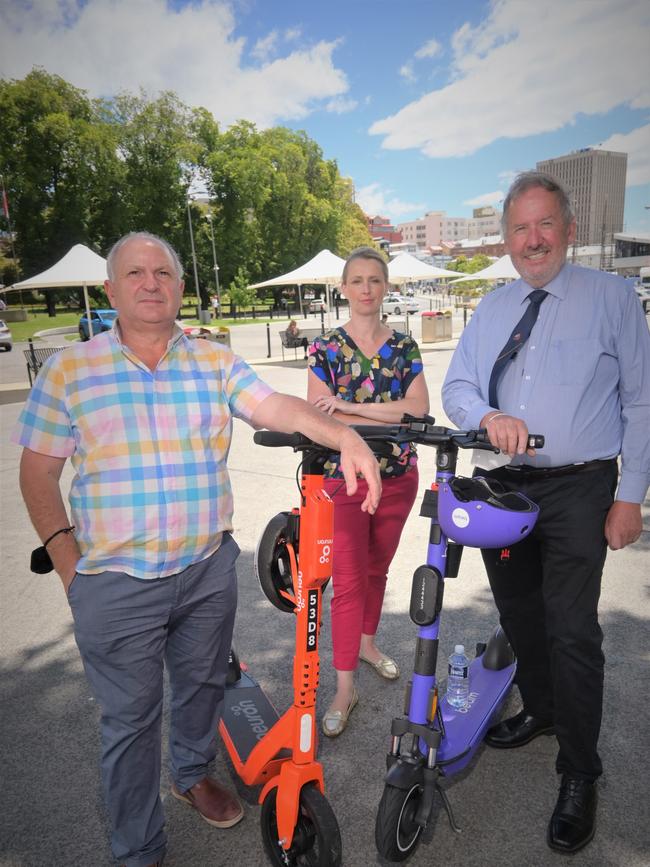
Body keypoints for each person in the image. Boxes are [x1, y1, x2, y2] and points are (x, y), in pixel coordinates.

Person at [13, 232, 382, 867]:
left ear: (181, 287)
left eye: (163, 272)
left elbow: (274, 406)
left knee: (203, 686)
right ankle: (138, 850)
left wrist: (343, 435)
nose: (150, 282)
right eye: (135, 273)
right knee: (128, 724)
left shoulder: (213, 361)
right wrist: (70, 567)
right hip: (114, 581)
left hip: (207, 569)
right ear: (111, 290)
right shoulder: (70, 369)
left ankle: (190, 775)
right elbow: (36, 473)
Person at [442, 172, 650, 855]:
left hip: (579, 487)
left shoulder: (614, 298)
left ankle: (580, 770)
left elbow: (642, 401)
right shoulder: (491, 305)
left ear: (569, 229)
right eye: (520, 229)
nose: (532, 240)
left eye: (545, 225)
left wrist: (631, 495)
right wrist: (487, 415)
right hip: (501, 487)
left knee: (571, 629)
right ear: (506, 238)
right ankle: (543, 707)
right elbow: (458, 385)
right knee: (521, 615)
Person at [308, 246, 430, 737]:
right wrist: (388, 410)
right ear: (343, 288)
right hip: (344, 479)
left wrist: (348, 408)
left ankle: (367, 642)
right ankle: (343, 687)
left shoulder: (404, 348)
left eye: (374, 280)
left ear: (385, 287)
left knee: (377, 569)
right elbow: (317, 418)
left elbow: (418, 413)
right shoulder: (325, 348)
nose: (365, 288)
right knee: (348, 579)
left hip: (398, 475)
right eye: (356, 280)